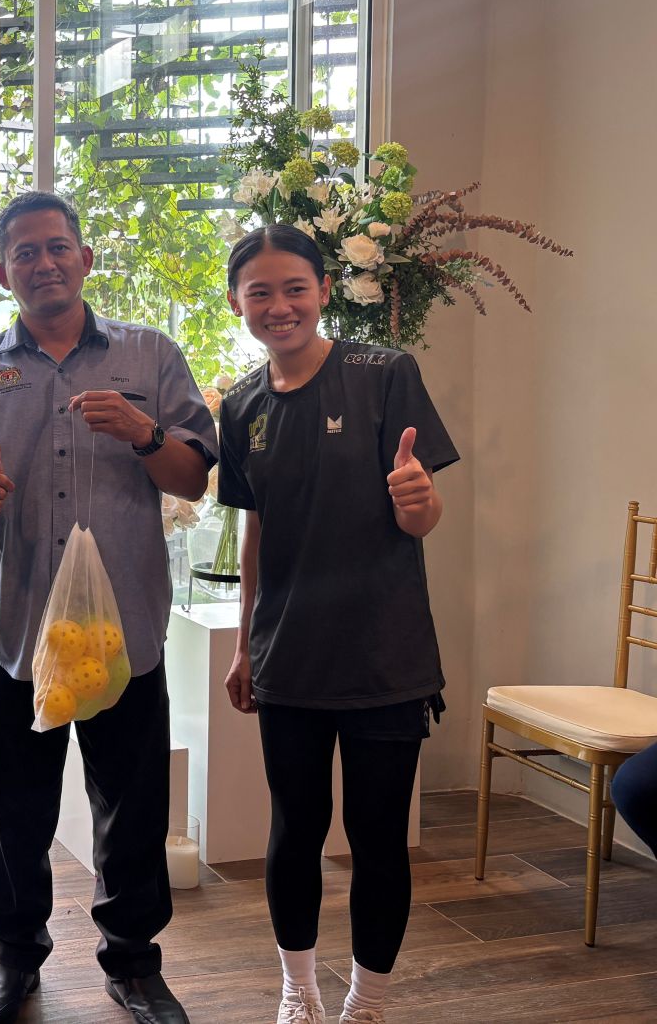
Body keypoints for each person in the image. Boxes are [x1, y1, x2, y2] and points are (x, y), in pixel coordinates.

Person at [0, 191, 215, 1024]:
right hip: (21, 625)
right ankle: (13, 954)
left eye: (57, 247)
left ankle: (134, 962)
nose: (43, 263)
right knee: (18, 804)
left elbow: (195, 476)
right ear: (1, 272)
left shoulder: (150, 354)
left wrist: (144, 433)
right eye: (25, 252)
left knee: (133, 802)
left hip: (125, 626)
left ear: (84, 259)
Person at [216, 224, 456, 1024]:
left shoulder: (385, 374)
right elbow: (256, 532)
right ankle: (299, 990)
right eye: (260, 292)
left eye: (295, 288)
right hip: (289, 656)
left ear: (323, 290)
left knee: (378, 836)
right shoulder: (242, 406)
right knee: (295, 828)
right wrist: (247, 645)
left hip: (386, 654)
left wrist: (420, 502)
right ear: (236, 302)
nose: (279, 306)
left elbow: (420, 514)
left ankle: (368, 1002)